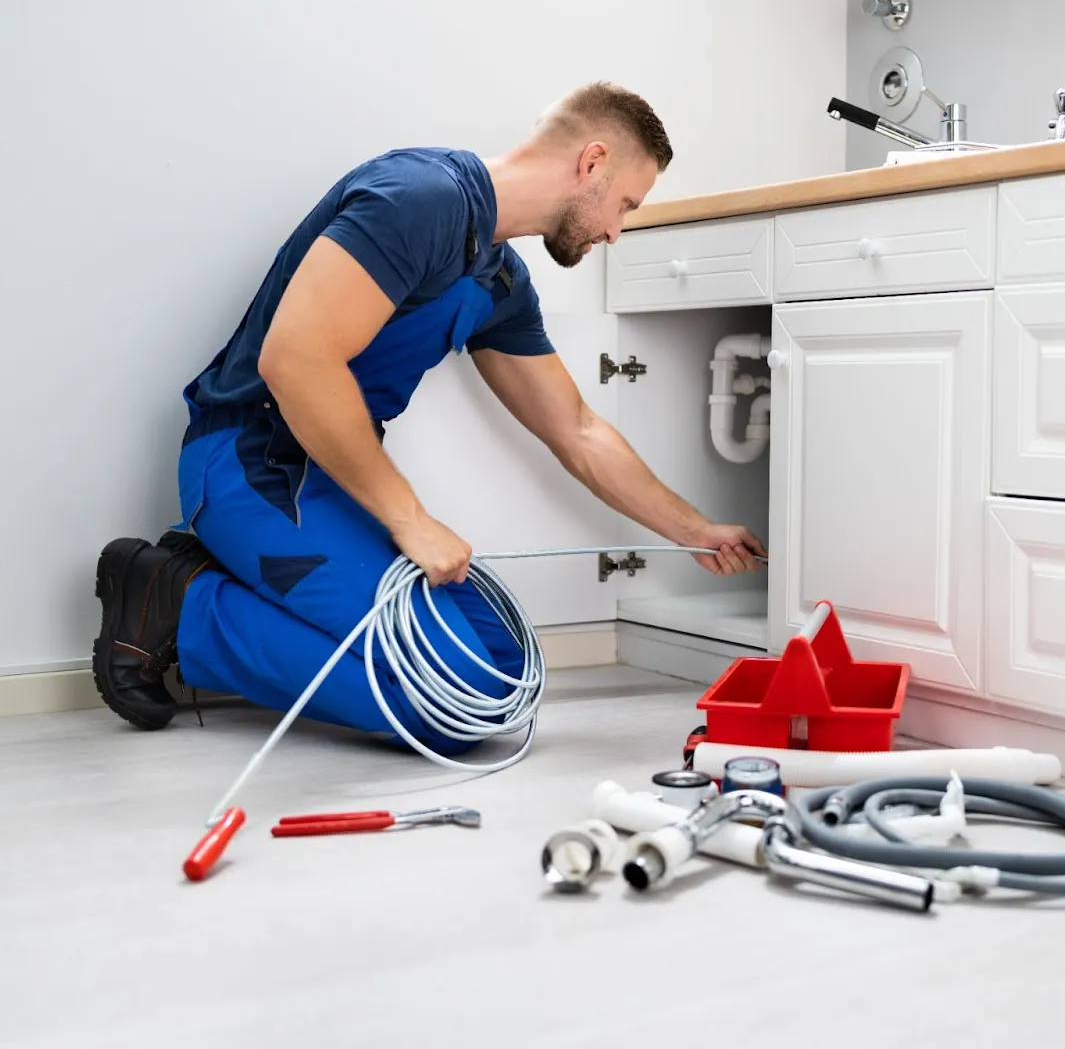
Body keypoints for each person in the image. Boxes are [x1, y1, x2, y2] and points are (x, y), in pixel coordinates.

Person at [90, 82, 764, 747]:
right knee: (448, 700)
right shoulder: (419, 199)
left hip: (332, 484)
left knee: (498, 671)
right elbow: (293, 361)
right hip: (248, 464)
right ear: (591, 162)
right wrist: (410, 519)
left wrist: (696, 530)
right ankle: (180, 604)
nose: (616, 231)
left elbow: (577, 430)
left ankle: (232, 581)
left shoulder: (498, 279)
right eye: (624, 204)